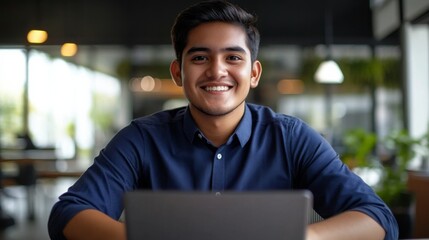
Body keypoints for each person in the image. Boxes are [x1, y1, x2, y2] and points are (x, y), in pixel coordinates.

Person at [48, 1, 398, 239]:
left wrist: (298, 236)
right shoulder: (141, 139)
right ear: (178, 72)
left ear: (254, 72)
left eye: (233, 57)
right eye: (200, 57)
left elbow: (379, 219)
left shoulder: (292, 137)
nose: (217, 71)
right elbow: (68, 214)